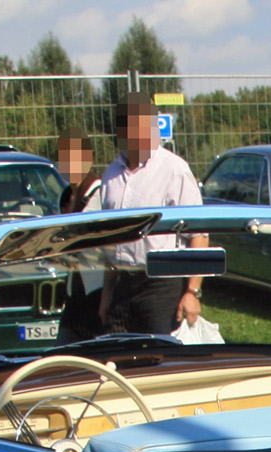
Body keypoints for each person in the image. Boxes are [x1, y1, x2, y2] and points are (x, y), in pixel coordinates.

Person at [91, 91, 204, 336]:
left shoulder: (174, 170)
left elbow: (199, 235)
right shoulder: (111, 174)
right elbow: (110, 241)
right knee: (117, 358)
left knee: (159, 362)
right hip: (122, 284)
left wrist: (192, 292)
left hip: (161, 285)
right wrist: (106, 295)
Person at [54, 129, 106, 344]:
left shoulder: (100, 195)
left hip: (97, 292)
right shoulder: (66, 197)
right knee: (62, 356)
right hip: (73, 293)